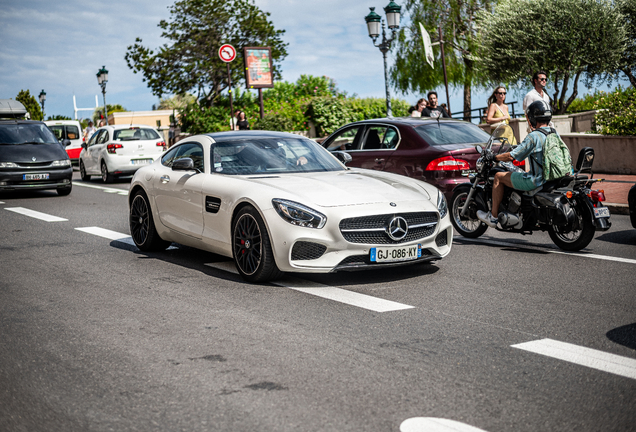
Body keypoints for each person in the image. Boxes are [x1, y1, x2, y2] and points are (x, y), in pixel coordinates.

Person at [476, 100, 555, 228]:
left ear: (533, 119)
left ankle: (493, 217)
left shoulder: (534, 136)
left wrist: (495, 157)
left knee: (498, 177)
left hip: (536, 180)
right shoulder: (553, 133)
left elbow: (511, 156)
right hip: (551, 177)